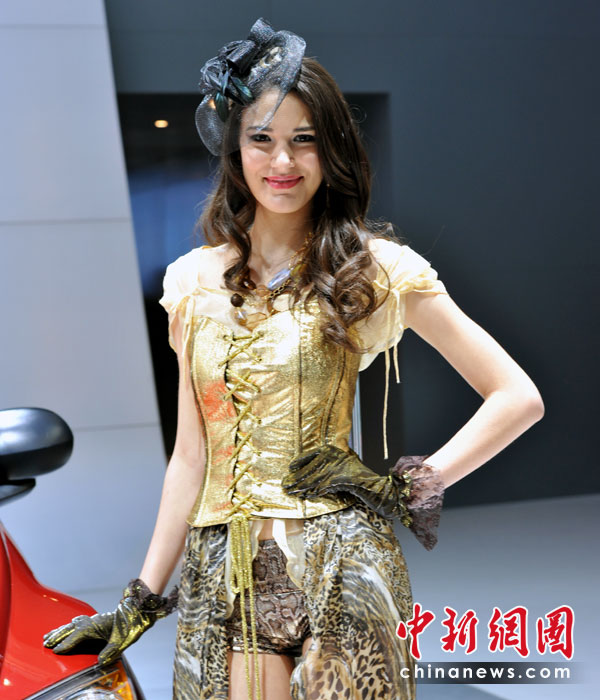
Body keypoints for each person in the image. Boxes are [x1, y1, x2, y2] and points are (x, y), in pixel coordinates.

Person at [43, 18, 544, 700]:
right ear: (235, 149)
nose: (282, 161)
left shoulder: (375, 268)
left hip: (343, 567)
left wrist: (399, 489)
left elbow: (517, 397)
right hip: (227, 575)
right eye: (262, 139)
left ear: (330, 151)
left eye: (304, 140)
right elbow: (192, 456)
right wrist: (141, 599)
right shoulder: (192, 283)